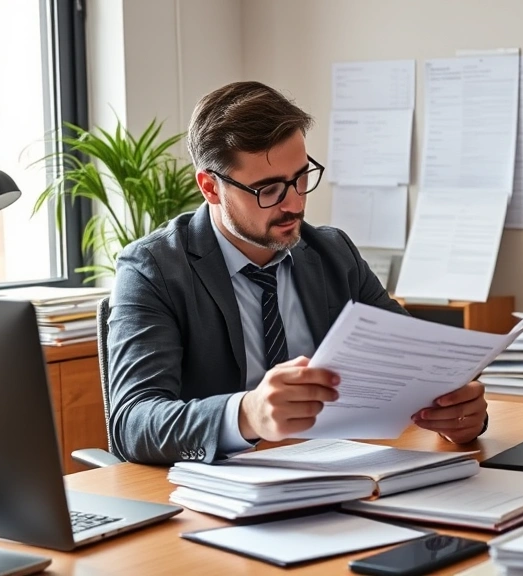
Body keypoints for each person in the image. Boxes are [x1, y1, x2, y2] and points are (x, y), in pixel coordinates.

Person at [106, 81, 489, 464]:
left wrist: (461, 412)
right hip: (215, 494)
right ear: (210, 187)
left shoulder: (333, 254)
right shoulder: (153, 270)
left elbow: (418, 364)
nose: (295, 202)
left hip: (337, 475)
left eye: (301, 177)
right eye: (269, 189)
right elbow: (132, 422)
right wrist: (247, 414)